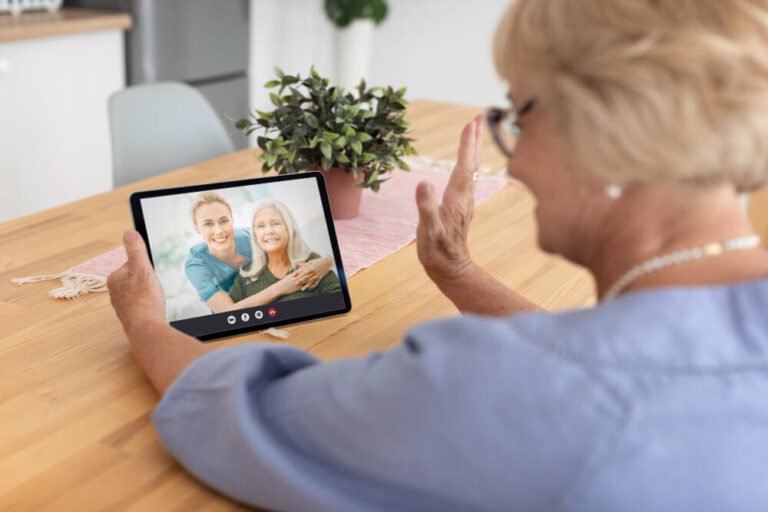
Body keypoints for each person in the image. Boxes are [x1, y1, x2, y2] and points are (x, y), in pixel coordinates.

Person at [107, 1, 768, 510]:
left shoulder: (497, 387)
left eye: (519, 118)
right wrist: (459, 273)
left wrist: (144, 321)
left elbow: (251, 417)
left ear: (612, 126)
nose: (515, 166)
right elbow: (618, 357)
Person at [184, 191, 333, 313]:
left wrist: (327, 261)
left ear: (232, 220)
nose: (219, 230)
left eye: (224, 221)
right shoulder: (196, 265)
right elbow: (228, 312)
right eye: (208, 224)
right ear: (197, 228)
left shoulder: (254, 237)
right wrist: (283, 286)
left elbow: (300, 251)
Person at [228, 199, 341, 303]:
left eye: (275, 223)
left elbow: (338, 301)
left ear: (289, 228)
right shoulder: (244, 277)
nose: (269, 231)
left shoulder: (312, 263)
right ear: (255, 235)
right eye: (261, 226)